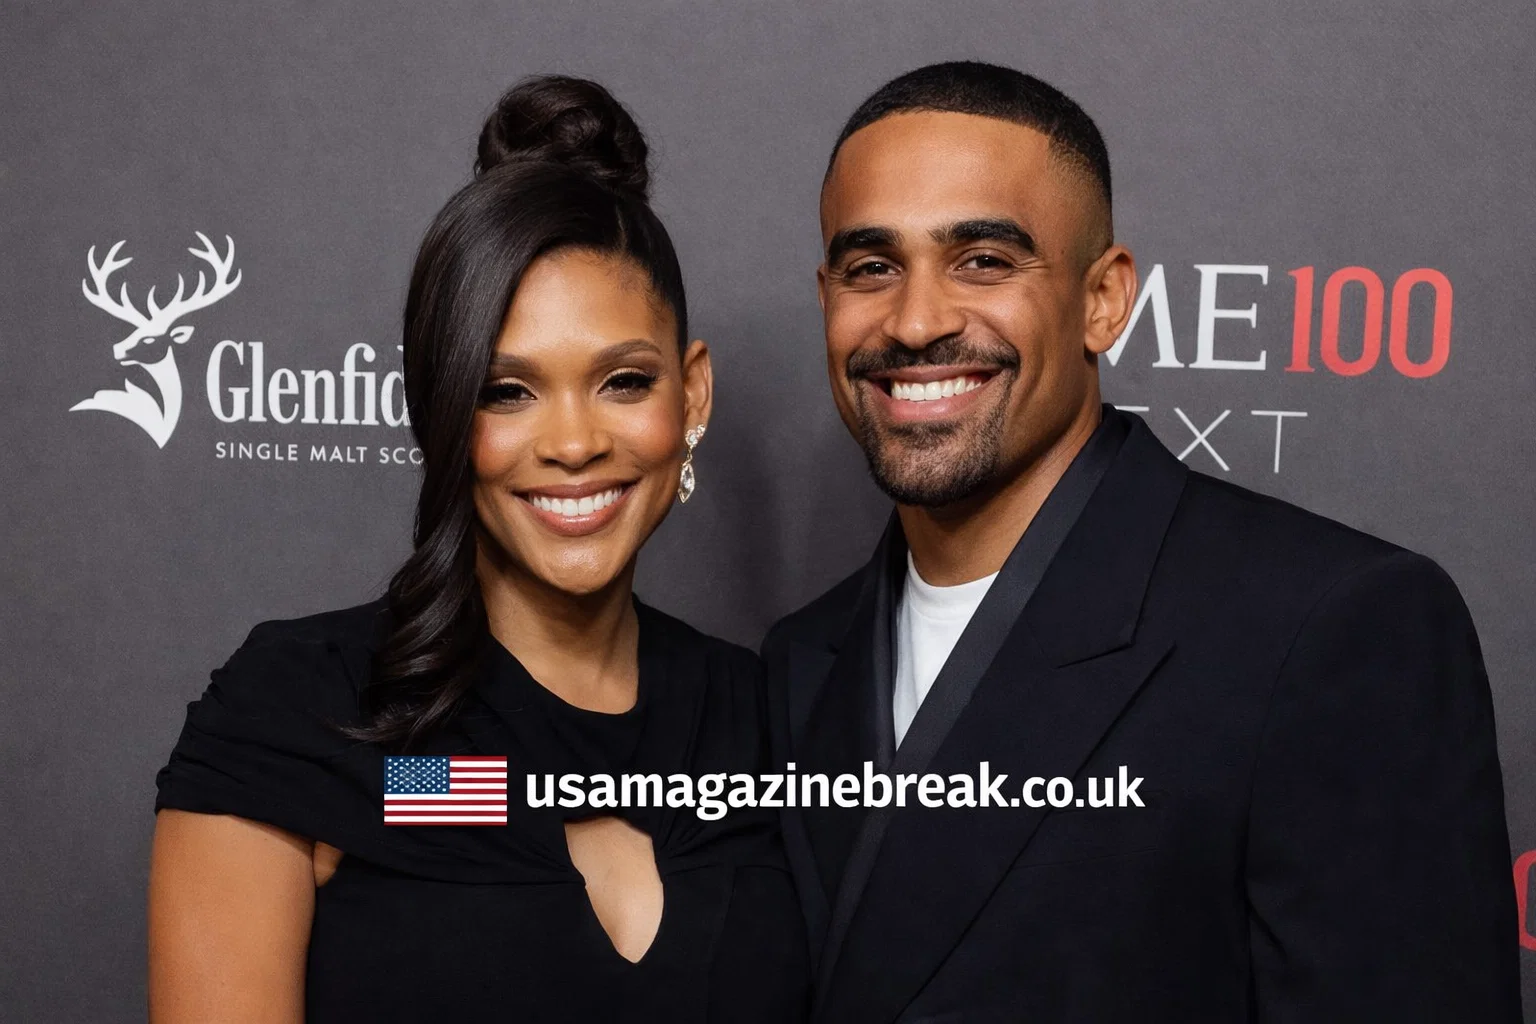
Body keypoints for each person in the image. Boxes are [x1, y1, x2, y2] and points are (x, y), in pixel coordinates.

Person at [762, 60, 1521, 1023]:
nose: (915, 322)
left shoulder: (1332, 628)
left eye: (984, 261)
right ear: (826, 295)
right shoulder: (800, 659)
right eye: (872, 267)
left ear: (1104, 299)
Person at [148, 75, 809, 1022]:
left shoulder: (763, 719)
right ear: (441, 409)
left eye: (623, 381)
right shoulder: (308, 712)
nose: (573, 443)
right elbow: (454, 794)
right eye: (507, 392)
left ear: (691, 393)